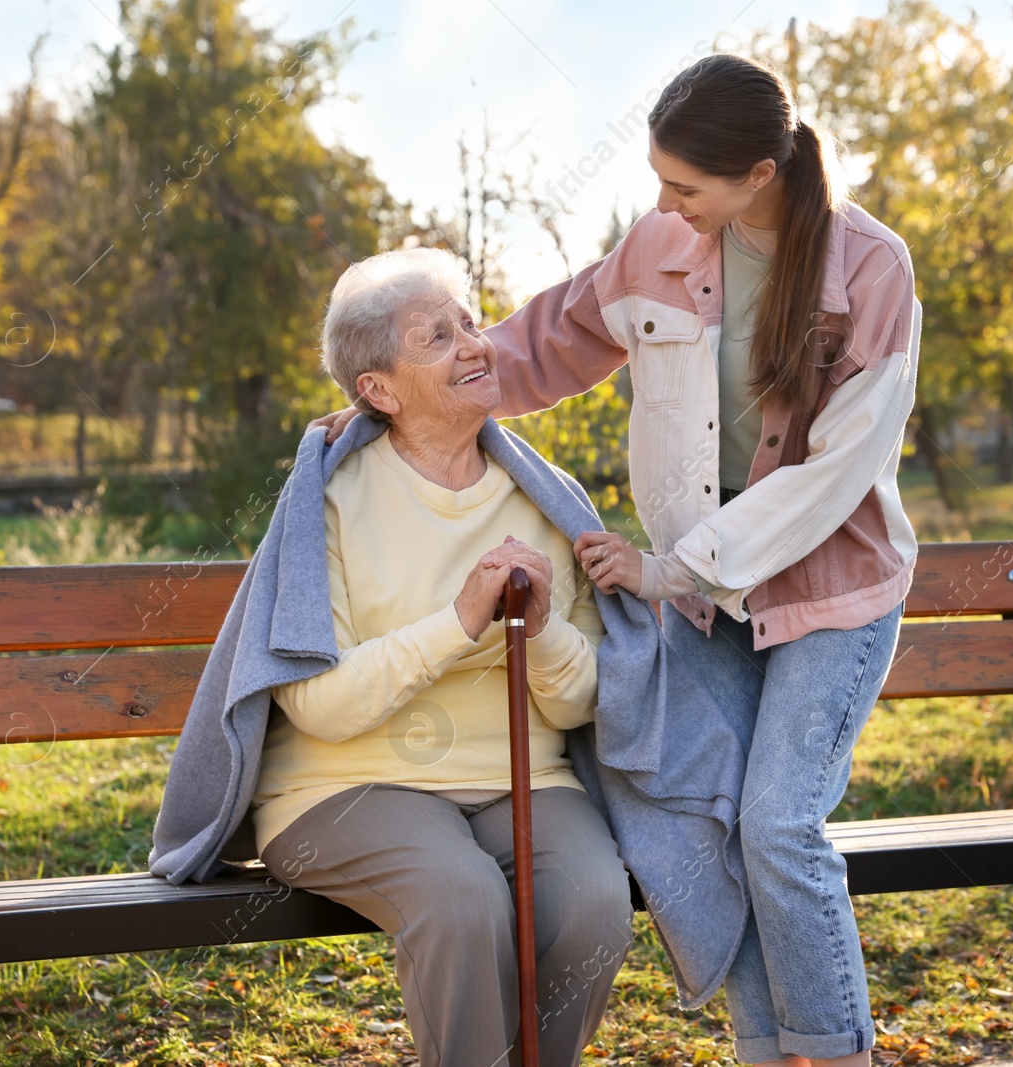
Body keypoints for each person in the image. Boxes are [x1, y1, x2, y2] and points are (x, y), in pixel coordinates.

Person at [315, 54, 921, 1067]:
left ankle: (836, 1052)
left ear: (758, 177)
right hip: (703, 603)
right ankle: (770, 1049)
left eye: (684, 186)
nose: (663, 203)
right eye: (657, 178)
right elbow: (552, 340)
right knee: (709, 817)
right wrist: (418, 391)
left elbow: (835, 474)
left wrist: (670, 569)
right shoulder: (661, 244)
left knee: (777, 825)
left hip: (828, 594)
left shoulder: (869, 268)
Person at [261, 246, 633, 1067]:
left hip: (522, 780)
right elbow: (316, 701)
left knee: (596, 904)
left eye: (470, 323)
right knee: (462, 900)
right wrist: (459, 621)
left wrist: (540, 633)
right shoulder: (328, 497)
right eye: (438, 337)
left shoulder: (544, 496)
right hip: (345, 783)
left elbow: (579, 702)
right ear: (379, 390)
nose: (475, 344)